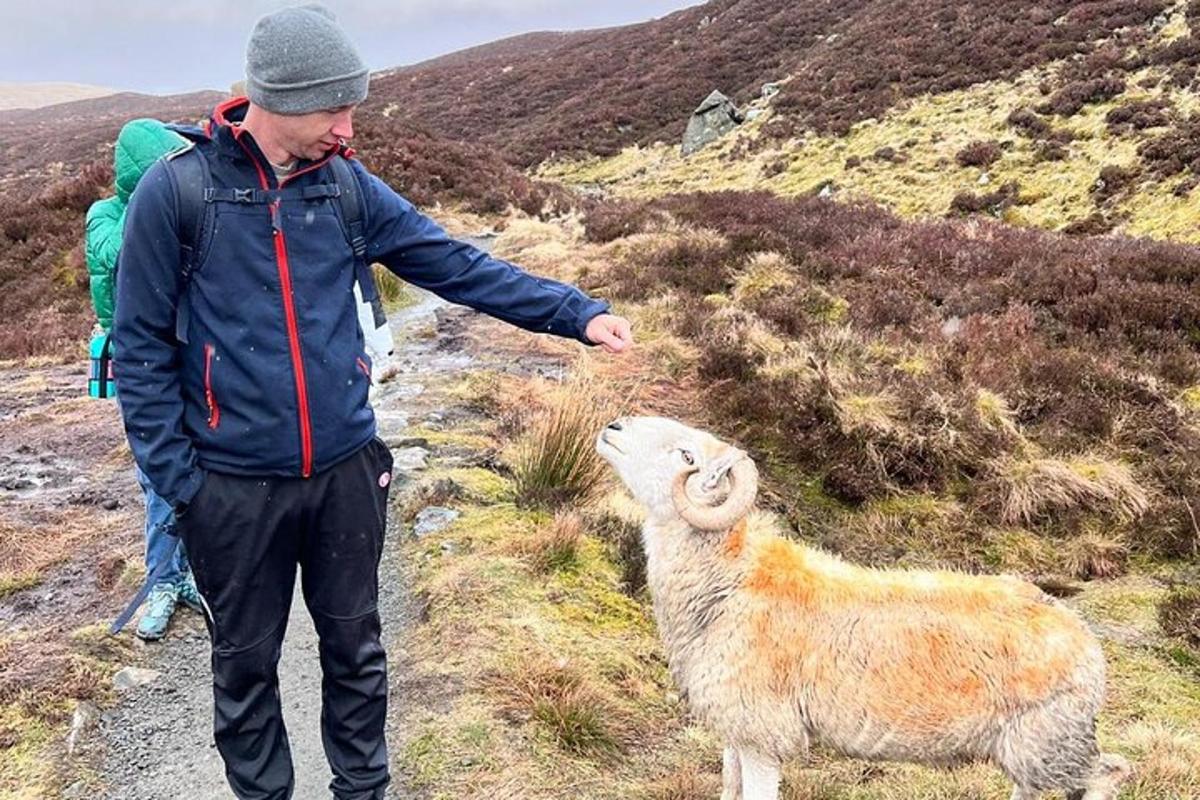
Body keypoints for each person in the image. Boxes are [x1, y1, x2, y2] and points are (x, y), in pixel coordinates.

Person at [110, 5, 633, 799]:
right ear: (276, 99)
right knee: (245, 666)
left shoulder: (346, 187)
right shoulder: (177, 195)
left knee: (356, 652)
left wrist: (574, 311)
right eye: (334, 108)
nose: (348, 127)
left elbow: (450, 261)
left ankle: (364, 792)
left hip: (347, 473)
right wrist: (185, 486)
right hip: (229, 488)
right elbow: (140, 351)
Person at [85, 119, 204, 641]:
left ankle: (195, 574)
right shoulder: (105, 216)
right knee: (157, 476)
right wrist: (159, 199)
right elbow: (112, 254)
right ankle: (164, 580)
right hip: (140, 364)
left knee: (198, 464)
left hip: (186, 354)